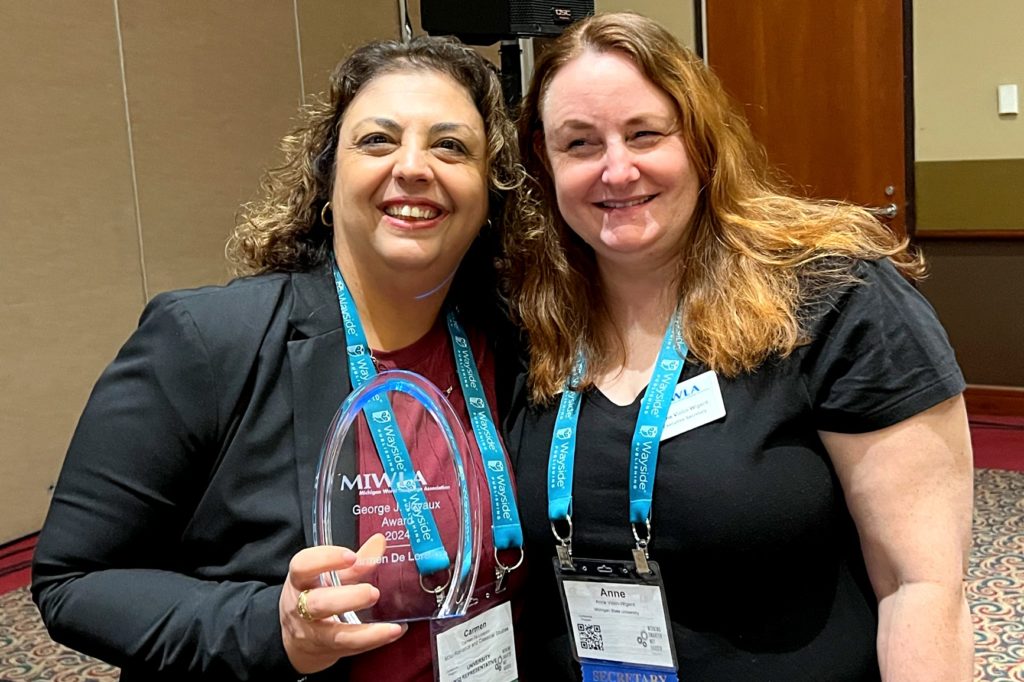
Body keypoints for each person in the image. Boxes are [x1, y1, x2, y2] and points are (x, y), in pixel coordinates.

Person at [33, 35, 525, 682]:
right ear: (327, 176)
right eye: (377, 140)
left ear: (489, 194)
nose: (414, 166)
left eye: (450, 145)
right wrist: (275, 625)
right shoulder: (208, 341)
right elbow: (74, 580)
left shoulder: (510, 345)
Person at [503, 12, 973, 681]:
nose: (617, 168)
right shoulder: (534, 317)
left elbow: (921, 586)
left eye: (645, 134)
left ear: (700, 141)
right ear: (544, 165)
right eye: (579, 143)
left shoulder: (833, 296)